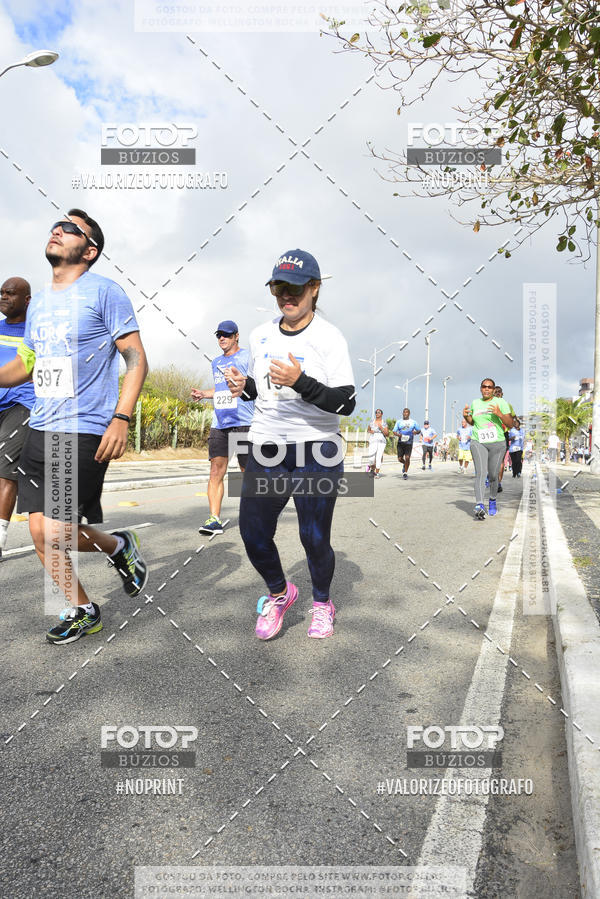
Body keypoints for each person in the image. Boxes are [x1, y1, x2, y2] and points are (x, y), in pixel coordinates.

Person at [0, 210, 149, 643]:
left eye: (71, 228)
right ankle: (82, 608)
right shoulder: (42, 300)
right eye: (56, 224)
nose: (57, 229)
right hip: (40, 426)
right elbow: (27, 364)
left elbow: (136, 358)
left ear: (89, 250)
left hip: (83, 428)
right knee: (39, 530)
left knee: (59, 530)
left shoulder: (105, 292)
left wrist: (121, 419)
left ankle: (120, 547)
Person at [227, 248, 355, 640]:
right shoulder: (260, 334)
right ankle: (280, 593)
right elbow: (263, 392)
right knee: (252, 531)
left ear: (315, 289)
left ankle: (321, 603)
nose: (287, 295)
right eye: (279, 287)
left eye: (296, 288)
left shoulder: (329, 338)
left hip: (317, 448)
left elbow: (347, 403)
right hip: (268, 446)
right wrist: (244, 387)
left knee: (313, 536)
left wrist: (301, 381)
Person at [191, 321, 253, 534]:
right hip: (220, 424)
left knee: (248, 472)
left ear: (236, 336)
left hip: (244, 422)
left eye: (226, 335)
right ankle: (214, 519)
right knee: (216, 470)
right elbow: (221, 390)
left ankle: (254, 516)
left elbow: (256, 385)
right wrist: (204, 394)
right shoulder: (216, 361)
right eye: (219, 335)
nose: (222, 338)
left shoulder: (247, 357)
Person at [0, 277, 36, 558]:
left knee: (4, 472)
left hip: (23, 405)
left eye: (10, 293)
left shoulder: (35, 333)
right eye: (1, 293)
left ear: (27, 299)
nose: (3, 297)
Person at [463, 378, 514, 519]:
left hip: (497, 443)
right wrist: (465, 416)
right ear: (480, 388)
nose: (486, 389)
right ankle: (479, 504)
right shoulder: (475, 403)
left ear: (493, 390)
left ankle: (492, 500)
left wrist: (500, 414)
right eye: (484, 386)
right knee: (480, 472)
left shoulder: (501, 403)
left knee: (493, 475)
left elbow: (511, 423)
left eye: (490, 387)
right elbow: (472, 422)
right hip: (478, 441)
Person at [493, 386, 515, 493]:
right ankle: (497, 481)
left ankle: (497, 482)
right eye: (496, 392)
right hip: (495, 434)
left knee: (498, 460)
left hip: (500, 434)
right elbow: (512, 420)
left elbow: (512, 420)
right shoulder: (507, 404)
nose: (497, 394)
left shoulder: (489, 403)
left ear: (502, 393)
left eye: (498, 392)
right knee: (499, 460)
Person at [392, 408, 421, 479]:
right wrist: (399, 435)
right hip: (400, 442)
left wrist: (416, 432)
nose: (405, 414)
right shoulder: (399, 422)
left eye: (407, 412)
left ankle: (405, 473)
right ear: (402, 413)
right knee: (399, 459)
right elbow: (394, 431)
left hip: (409, 442)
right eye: (404, 412)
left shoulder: (413, 422)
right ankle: (405, 464)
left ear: (409, 413)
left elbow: (419, 430)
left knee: (407, 457)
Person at [366, 409, 388, 478]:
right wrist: (370, 431)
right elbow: (368, 430)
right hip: (373, 439)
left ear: (381, 414)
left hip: (381, 440)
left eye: (379, 412)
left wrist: (381, 427)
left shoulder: (384, 422)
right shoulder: (372, 421)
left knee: (379, 457)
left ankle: (377, 473)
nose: (377, 414)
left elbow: (387, 434)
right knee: (371, 458)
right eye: (376, 412)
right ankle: (370, 466)